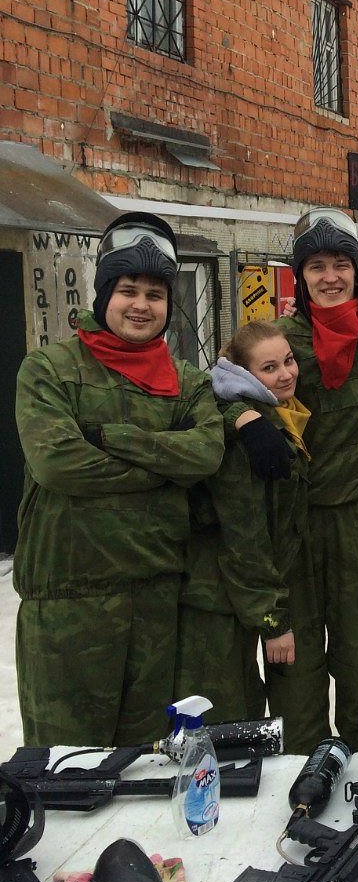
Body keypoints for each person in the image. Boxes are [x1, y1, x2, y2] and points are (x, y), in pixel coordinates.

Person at [13, 212, 224, 745]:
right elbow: (57, 464)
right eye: (128, 290)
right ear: (104, 294)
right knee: (64, 766)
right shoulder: (50, 369)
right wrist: (163, 469)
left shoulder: (189, 382)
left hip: (155, 598)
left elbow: (203, 455)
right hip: (68, 600)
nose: (141, 305)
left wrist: (109, 438)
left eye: (155, 294)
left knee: (142, 763)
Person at [232, 207, 358, 751]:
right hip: (292, 520)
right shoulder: (278, 339)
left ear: (357, 269)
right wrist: (240, 419)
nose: (330, 276)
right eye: (316, 266)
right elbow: (215, 386)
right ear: (300, 274)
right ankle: (300, 765)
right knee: (295, 657)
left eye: (341, 263)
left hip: (357, 518)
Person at [177, 320, 330, 752]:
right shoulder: (248, 435)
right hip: (221, 596)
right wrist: (272, 619)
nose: (285, 373)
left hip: (254, 586)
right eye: (269, 368)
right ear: (244, 376)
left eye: (288, 360)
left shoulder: (279, 415)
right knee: (228, 716)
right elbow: (244, 536)